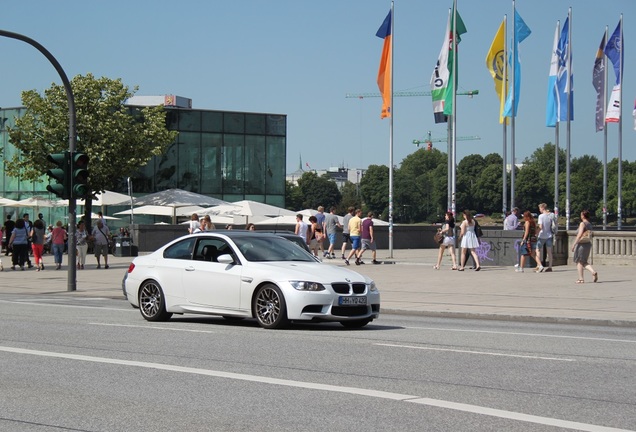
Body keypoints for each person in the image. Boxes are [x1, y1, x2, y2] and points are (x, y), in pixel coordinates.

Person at [571, 210, 598, 284]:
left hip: (581, 244)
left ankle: (581, 279)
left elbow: (579, 235)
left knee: (579, 261)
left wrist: (574, 244)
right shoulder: (589, 224)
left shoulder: (582, 224)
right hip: (588, 244)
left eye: (581, 215)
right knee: (584, 261)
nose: (580, 216)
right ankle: (593, 272)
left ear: (583, 216)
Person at [535, 203, 554, 273]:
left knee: (538, 249)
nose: (539, 210)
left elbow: (540, 227)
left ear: (542, 208)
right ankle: (550, 266)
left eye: (540, 208)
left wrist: (536, 233)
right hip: (549, 235)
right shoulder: (551, 215)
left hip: (542, 235)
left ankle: (538, 265)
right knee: (549, 252)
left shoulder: (541, 216)